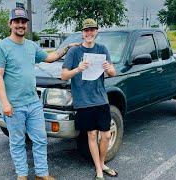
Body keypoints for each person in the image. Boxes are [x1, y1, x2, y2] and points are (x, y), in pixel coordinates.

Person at [0, 6, 78, 180]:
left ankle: (42, 174)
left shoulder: (31, 46)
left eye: (23, 22)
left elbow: (50, 57)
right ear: (10, 24)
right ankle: (22, 175)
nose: (20, 25)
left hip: (34, 104)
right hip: (14, 105)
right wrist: (5, 103)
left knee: (40, 139)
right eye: (17, 21)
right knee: (17, 142)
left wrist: (67, 47)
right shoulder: (1, 47)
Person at [61, 18, 118, 180]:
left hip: (101, 99)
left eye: (92, 30)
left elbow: (113, 72)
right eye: (86, 30)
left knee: (106, 135)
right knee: (92, 135)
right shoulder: (74, 52)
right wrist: (78, 69)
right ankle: (99, 170)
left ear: (96, 32)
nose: (89, 33)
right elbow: (63, 75)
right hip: (84, 101)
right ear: (82, 33)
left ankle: (101, 163)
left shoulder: (102, 49)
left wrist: (109, 68)